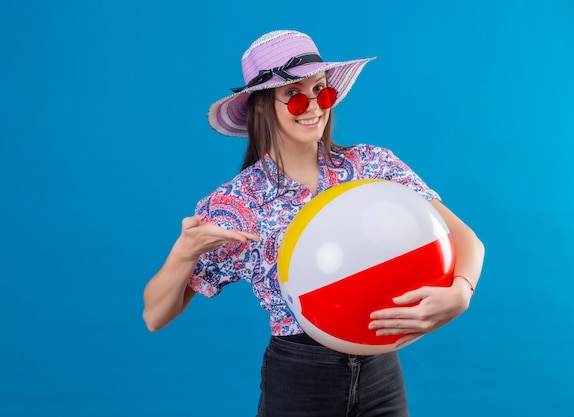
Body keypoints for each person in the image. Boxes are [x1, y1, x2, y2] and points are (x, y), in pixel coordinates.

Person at [143, 29, 485, 417]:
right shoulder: (235, 203)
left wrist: (461, 291)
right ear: (260, 106)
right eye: (294, 96)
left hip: (381, 371)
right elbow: (155, 316)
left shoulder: (370, 166)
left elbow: (465, 238)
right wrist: (183, 253)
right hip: (300, 378)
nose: (314, 107)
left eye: (322, 91)